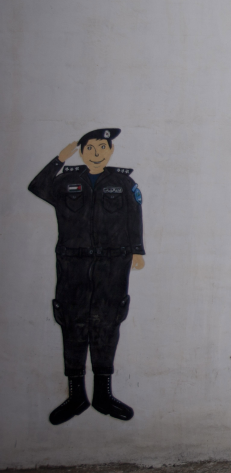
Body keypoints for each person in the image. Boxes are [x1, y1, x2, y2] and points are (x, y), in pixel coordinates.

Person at [28, 128, 144, 425]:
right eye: (89, 148)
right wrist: (58, 160)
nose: (96, 153)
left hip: (112, 263)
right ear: (80, 151)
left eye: (101, 147)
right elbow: (38, 186)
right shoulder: (66, 181)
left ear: (111, 150)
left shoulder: (122, 181)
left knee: (108, 322)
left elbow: (134, 215)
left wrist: (137, 251)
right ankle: (76, 395)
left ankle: (103, 395)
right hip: (73, 264)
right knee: (72, 322)